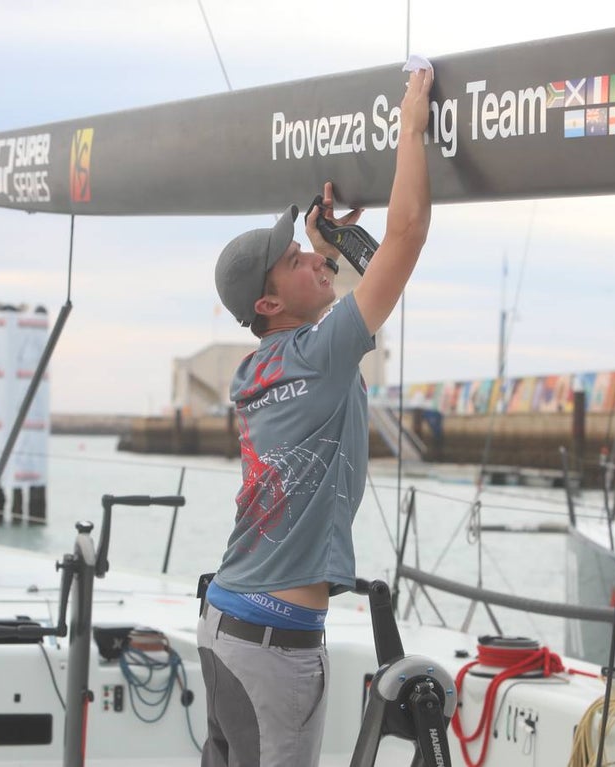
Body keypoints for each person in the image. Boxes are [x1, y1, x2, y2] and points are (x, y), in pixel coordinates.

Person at [198, 63, 434, 767]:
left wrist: (324, 252)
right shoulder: (315, 355)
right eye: (295, 260)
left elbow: (312, 317)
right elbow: (407, 236)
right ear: (269, 306)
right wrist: (412, 128)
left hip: (227, 627)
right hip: (271, 649)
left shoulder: (258, 367)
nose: (311, 257)